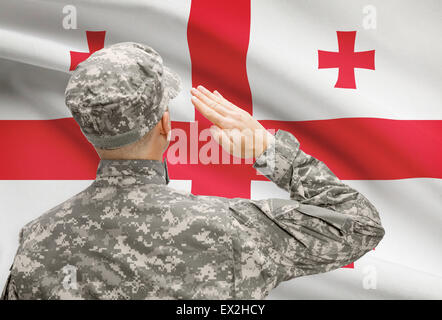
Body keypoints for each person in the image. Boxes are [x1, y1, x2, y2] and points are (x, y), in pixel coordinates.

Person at [1, 42, 384, 300]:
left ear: (88, 129)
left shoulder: (37, 241)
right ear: (165, 123)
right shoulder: (233, 229)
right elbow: (360, 224)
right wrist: (271, 152)